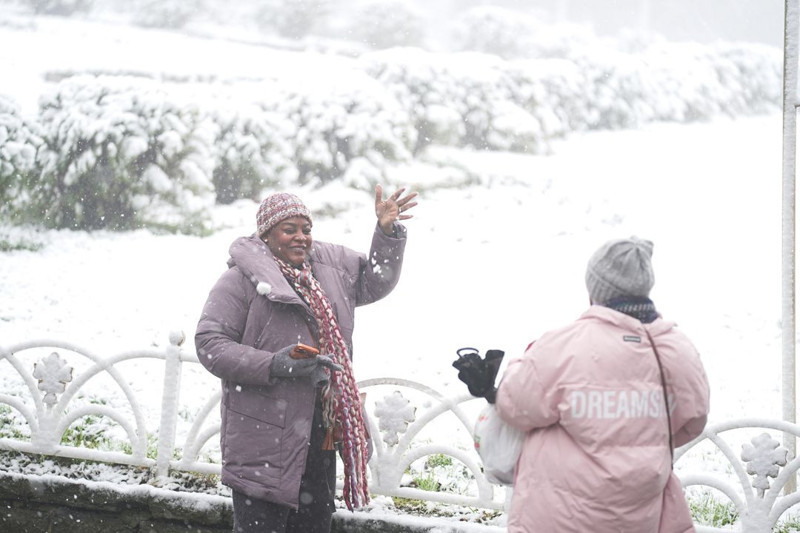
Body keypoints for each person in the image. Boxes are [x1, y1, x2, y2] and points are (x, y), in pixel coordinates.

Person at [195, 185, 417, 533]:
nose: (301, 237)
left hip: (318, 436)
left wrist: (386, 232)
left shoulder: (329, 269)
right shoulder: (240, 279)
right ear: (266, 234)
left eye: (306, 229)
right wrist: (273, 365)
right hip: (262, 439)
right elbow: (210, 343)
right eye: (289, 229)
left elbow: (377, 281)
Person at [494, 237, 710, 533]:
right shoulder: (677, 349)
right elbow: (692, 419)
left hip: (557, 516)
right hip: (640, 514)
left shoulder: (565, 345)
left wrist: (522, 362)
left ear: (595, 288)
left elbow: (514, 404)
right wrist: (637, 438)